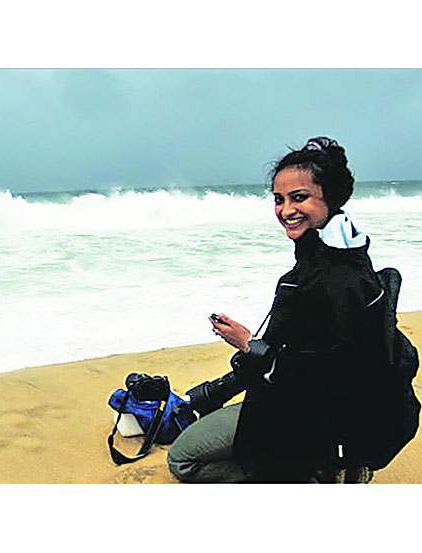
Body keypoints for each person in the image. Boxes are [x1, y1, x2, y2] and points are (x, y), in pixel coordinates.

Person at [167, 136, 394, 483]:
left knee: (182, 459)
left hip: (311, 414)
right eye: (279, 199)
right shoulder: (341, 256)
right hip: (320, 406)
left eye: (299, 197)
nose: (286, 210)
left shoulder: (334, 280)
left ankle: (307, 471)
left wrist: (247, 343)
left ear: (331, 197)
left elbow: (317, 377)